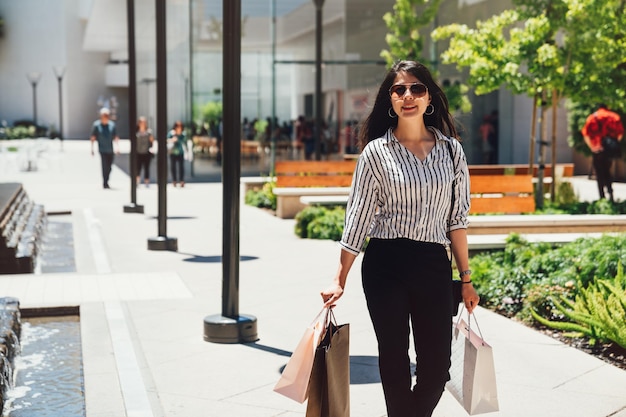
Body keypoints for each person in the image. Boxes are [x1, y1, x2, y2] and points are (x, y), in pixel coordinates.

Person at [321, 60, 480, 417]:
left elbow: (458, 220)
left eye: (416, 89)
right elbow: (358, 218)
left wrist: (466, 279)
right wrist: (339, 278)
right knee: (393, 360)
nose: (408, 95)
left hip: (433, 265)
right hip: (385, 265)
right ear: (390, 100)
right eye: (399, 89)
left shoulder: (452, 151)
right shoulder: (376, 153)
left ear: (429, 98)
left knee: (437, 370)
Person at [582, 104, 624, 201]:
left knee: (599, 173)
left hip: (597, 150)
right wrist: (613, 144)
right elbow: (620, 133)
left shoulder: (592, 117)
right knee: (607, 171)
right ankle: (611, 194)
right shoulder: (614, 117)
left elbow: (586, 134)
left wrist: (592, 147)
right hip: (609, 150)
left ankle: (602, 196)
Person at [90, 107, 120, 189]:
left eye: (107, 115)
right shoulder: (96, 125)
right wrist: (92, 149)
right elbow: (93, 137)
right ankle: (105, 182)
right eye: (104, 115)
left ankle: (107, 179)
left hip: (110, 149)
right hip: (102, 149)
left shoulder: (112, 125)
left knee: (109, 166)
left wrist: (117, 148)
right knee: (104, 165)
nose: (105, 117)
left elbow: (115, 137)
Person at [167, 121, 189, 187]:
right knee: (173, 167)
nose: (179, 128)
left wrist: (187, 150)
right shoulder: (171, 133)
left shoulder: (183, 134)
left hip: (180, 152)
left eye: (180, 126)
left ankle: (181, 180)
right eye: (177, 126)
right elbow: (167, 139)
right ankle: (174, 180)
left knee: (181, 167)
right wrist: (172, 139)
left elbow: (185, 141)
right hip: (173, 152)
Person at [135, 117, 154, 187]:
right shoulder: (136, 131)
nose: (143, 124)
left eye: (144, 122)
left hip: (146, 152)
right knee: (138, 167)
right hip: (138, 152)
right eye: (141, 122)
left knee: (147, 167)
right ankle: (137, 181)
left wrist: (152, 147)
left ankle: (147, 182)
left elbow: (152, 142)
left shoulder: (149, 132)